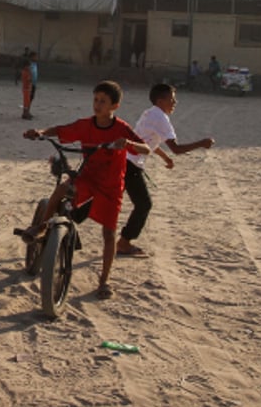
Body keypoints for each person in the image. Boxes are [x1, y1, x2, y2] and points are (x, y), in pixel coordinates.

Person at [23, 81, 142, 300]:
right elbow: (61, 130)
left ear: (114, 106)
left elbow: (144, 148)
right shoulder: (86, 125)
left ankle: (104, 281)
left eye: (103, 102)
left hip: (111, 186)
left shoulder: (120, 129)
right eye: (96, 100)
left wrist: (125, 143)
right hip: (88, 177)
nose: (97, 105)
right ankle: (40, 227)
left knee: (108, 234)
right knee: (61, 189)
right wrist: (40, 132)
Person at [115, 83, 215, 257]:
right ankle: (124, 243)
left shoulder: (150, 113)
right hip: (131, 164)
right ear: (161, 101)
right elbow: (176, 148)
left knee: (107, 197)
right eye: (172, 99)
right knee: (144, 204)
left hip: (124, 160)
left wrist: (164, 157)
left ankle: (70, 213)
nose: (175, 102)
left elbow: (147, 142)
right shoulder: (161, 118)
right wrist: (201, 143)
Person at [20, 51, 38, 120]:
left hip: (30, 86)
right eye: (35, 56)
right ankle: (26, 113)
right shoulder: (27, 69)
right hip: (28, 87)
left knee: (29, 99)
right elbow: (28, 79)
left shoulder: (33, 64)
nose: (36, 58)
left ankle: (27, 112)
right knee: (27, 100)